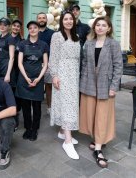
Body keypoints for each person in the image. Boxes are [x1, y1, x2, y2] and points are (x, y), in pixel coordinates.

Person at [79, 16, 123, 168]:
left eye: (104, 25)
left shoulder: (113, 44)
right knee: (91, 113)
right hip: (90, 82)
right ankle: (97, 138)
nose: (100, 27)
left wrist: (113, 87)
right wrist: (83, 82)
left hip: (106, 83)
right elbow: (84, 64)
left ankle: (98, 149)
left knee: (103, 115)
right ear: (94, 27)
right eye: (98, 25)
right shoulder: (89, 44)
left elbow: (118, 66)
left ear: (109, 28)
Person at [49, 11, 81, 160]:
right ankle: (67, 141)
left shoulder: (77, 37)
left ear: (74, 21)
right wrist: (54, 75)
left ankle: (63, 132)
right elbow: (53, 57)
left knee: (71, 104)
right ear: (62, 21)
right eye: (65, 19)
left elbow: (78, 59)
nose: (68, 21)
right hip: (62, 74)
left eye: (70, 19)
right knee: (67, 105)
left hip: (73, 75)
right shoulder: (57, 36)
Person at [16, 21, 48, 141]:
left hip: (38, 79)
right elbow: (19, 62)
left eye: (35, 27)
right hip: (24, 79)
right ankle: (28, 128)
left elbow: (45, 64)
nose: (33, 29)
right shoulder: (23, 44)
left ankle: (34, 129)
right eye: (30, 28)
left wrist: (38, 78)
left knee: (37, 106)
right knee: (25, 106)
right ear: (28, 30)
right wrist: (26, 78)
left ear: (38, 29)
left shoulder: (43, 45)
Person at [37, 12, 54, 115]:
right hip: (36, 64)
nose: (42, 20)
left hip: (49, 64)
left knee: (49, 86)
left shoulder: (52, 33)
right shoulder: (33, 32)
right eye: (40, 18)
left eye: (43, 18)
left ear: (46, 20)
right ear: (37, 20)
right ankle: (36, 107)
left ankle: (49, 107)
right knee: (37, 86)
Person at [10, 19, 23, 129]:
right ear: (11, 27)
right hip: (7, 72)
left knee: (16, 95)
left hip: (18, 72)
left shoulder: (22, 41)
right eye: (14, 25)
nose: (16, 28)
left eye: (18, 26)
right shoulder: (6, 39)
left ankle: (15, 115)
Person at [0, 17, 15, 83]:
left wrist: (8, 74)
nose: (2, 26)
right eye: (0, 24)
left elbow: (12, 58)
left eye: (5, 25)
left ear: (9, 27)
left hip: (5, 70)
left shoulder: (10, 38)